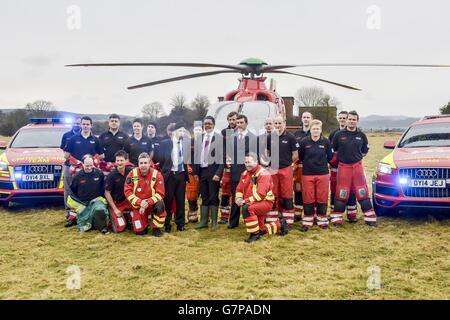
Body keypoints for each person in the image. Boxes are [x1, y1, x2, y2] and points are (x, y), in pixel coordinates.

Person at [331, 110, 377, 227]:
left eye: (354, 120)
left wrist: (355, 158)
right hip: (343, 167)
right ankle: (337, 219)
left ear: (357, 121)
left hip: (357, 166)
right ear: (346, 120)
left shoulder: (361, 135)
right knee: (342, 192)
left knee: (362, 191)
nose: (351, 121)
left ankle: (370, 218)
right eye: (349, 119)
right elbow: (334, 150)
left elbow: (364, 152)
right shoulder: (338, 135)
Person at [235, 153, 288, 243]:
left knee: (247, 209)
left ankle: (254, 235)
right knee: (262, 230)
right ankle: (280, 224)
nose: (247, 164)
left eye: (249, 162)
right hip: (254, 202)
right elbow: (239, 189)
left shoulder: (264, 174)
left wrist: (245, 201)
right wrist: (238, 199)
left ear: (256, 162)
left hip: (265, 202)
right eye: (246, 162)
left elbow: (261, 194)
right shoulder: (244, 173)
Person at [63, 116, 104, 225]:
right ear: (80, 125)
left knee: (87, 193)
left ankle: (89, 213)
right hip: (75, 171)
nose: (85, 126)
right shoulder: (72, 139)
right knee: (70, 192)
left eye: (87, 124)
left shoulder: (96, 140)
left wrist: (94, 160)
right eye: (83, 124)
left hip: (90, 171)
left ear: (91, 125)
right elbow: (66, 155)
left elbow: (102, 155)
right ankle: (70, 216)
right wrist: (77, 162)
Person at [298, 120, 333, 231]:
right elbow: (301, 156)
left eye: (318, 129)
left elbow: (330, 157)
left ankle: (321, 219)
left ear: (321, 130)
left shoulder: (326, 142)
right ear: (310, 129)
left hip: (322, 173)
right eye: (314, 128)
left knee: (322, 196)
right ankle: (308, 220)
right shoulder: (304, 142)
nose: (316, 130)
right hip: (307, 173)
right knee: (308, 196)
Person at [265, 116, 299, 228]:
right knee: (273, 193)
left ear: (284, 123)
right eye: (276, 123)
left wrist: (287, 162)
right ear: (273, 124)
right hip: (273, 169)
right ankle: (272, 219)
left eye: (280, 123)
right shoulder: (270, 137)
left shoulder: (290, 137)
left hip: (286, 169)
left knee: (287, 194)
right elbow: (267, 152)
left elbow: (295, 155)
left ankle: (288, 220)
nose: (278, 125)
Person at [193, 116, 224, 230]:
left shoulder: (219, 138)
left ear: (214, 125)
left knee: (213, 196)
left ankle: (214, 222)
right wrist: (195, 172)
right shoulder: (199, 138)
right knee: (204, 196)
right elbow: (196, 156)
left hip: (213, 172)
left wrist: (219, 173)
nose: (207, 125)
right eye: (205, 123)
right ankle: (204, 221)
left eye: (209, 124)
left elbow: (222, 158)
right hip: (202, 171)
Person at [124, 153, 166, 236]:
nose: (143, 165)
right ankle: (142, 223)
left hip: (152, 204)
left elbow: (160, 193)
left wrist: (147, 202)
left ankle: (156, 228)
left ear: (149, 163)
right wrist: (140, 203)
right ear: (138, 164)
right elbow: (127, 191)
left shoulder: (157, 174)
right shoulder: (132, 174)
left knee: (160, 205)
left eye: (145, 163)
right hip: (138, 205)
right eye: (141, 163)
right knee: (140, 232)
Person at [159, 121, 191, 232]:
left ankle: (180, 223)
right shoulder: (165, 143)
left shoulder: (186, 143)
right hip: (170, 175)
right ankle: (167, 223)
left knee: (180, 201)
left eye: (183, 131)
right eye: (179, 131)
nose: (182, 133)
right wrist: (166, 171)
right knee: (168, 200)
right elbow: (161, 160)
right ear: (174, 132)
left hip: (181, 175)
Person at [228, 114, 258, 229]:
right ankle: (233, 222)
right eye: (238, 123)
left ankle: (249, 220)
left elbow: (255, 154)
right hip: (235, 171)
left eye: (241, 122)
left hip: (249, 171)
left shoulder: (253, 137)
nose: (239, 125)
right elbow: (230, 153)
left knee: (249, 196)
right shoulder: (232, 137)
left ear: (246, 123)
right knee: (236, 195)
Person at [66, 155, 109, 234]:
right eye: (87, 166)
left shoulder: (99, 174)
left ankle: (103, 227)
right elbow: (72, 192)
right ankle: (84, 221)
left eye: (90, 165)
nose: (89, 167)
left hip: (97, 201)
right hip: (83, 203)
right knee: (84, 228)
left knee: (99, 210)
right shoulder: (77, 176)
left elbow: (104, 188)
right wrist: (78, 205)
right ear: (82, 164)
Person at [328, 111, 357, 219]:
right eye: (340, 118)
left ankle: (351, 213)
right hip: (336, 168)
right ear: (338, 119)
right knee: (335, 190)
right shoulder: (333, 134)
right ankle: (334, 212)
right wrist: (332, 162)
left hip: (350, 167)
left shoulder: (355, 134)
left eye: (344, 118)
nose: (342, 120)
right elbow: (330, 152)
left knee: (351, 188)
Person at [104, 150, 134, 233]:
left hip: (128, 201)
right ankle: (115, 216)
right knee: (119, 229)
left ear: (126, 161)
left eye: (121, 160)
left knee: (137, 225)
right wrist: (115, 209)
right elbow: (107, 193)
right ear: (115, 161)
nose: (119, 163)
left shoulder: (132, 172)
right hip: (117, 203)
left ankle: (129, 218)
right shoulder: (111, 175)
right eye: (118, 160)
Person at [293, 111, 313, 221]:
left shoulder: (314, 132)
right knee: (298, 190)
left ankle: (309, 213)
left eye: (308, 117)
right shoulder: (296, 134)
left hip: (310, 166)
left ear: (311, 119)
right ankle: (297, 213)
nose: (306, 119)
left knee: (309, 190)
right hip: (298, 167)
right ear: (301, 119)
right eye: (304, 117)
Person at [60, 116, 81, 220]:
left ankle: (81, 211)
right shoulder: (66, 135)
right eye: (75, 123)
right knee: (68, 189)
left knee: (81, 189)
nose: (76, 125)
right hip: (69, 166)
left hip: (82, 167)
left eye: (78, 123)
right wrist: (72, 160)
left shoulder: (86, 135)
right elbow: (64, 152)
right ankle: (69, 213)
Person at [219, 111, 238, 224]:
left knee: (237, 191)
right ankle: (224, 216)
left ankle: (235, 216)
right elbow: (221, 148)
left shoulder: (241, 132)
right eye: (230, 119)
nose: (232, 122)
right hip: (226, 166)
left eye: (233, 119)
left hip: (238, 166)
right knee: (225, 191)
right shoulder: (224, 132)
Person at [186, 124, 203, 223]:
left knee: (205, 195)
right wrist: (187, 166)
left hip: (204, 172)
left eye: (199, 129)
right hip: (192, 172)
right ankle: (193, 217)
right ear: (193, 130)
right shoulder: (190, 142)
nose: (198, 131)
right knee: (192, 195)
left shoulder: (206, 141)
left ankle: (206, 217)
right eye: (196, 129)